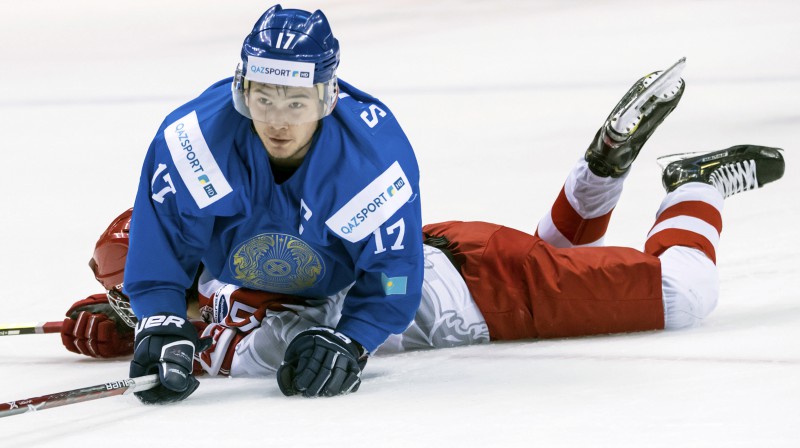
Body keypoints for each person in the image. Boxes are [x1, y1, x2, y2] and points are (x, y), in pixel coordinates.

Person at [62, 55, 785, 398]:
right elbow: (192, 306)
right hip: (446, 252)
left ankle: (694, 183)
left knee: (684, 293)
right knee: (556, 252)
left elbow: (240, 340)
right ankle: (599, 170)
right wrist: (120, 325)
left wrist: (148, 332)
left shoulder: (230, 303)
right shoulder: (222, 262)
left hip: (476, 299)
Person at [122, 5, 426, 403]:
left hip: (339, 291)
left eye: (296, 104)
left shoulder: (375, 163)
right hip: (227, 273)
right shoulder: (190, 142)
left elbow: (395, 276)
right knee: (119, 245)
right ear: (242, 90)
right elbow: (158, 249)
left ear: (328, 97)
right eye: (264, 100)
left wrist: (356, 337)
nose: (278, 122)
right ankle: (173, 306)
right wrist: (158, 316)